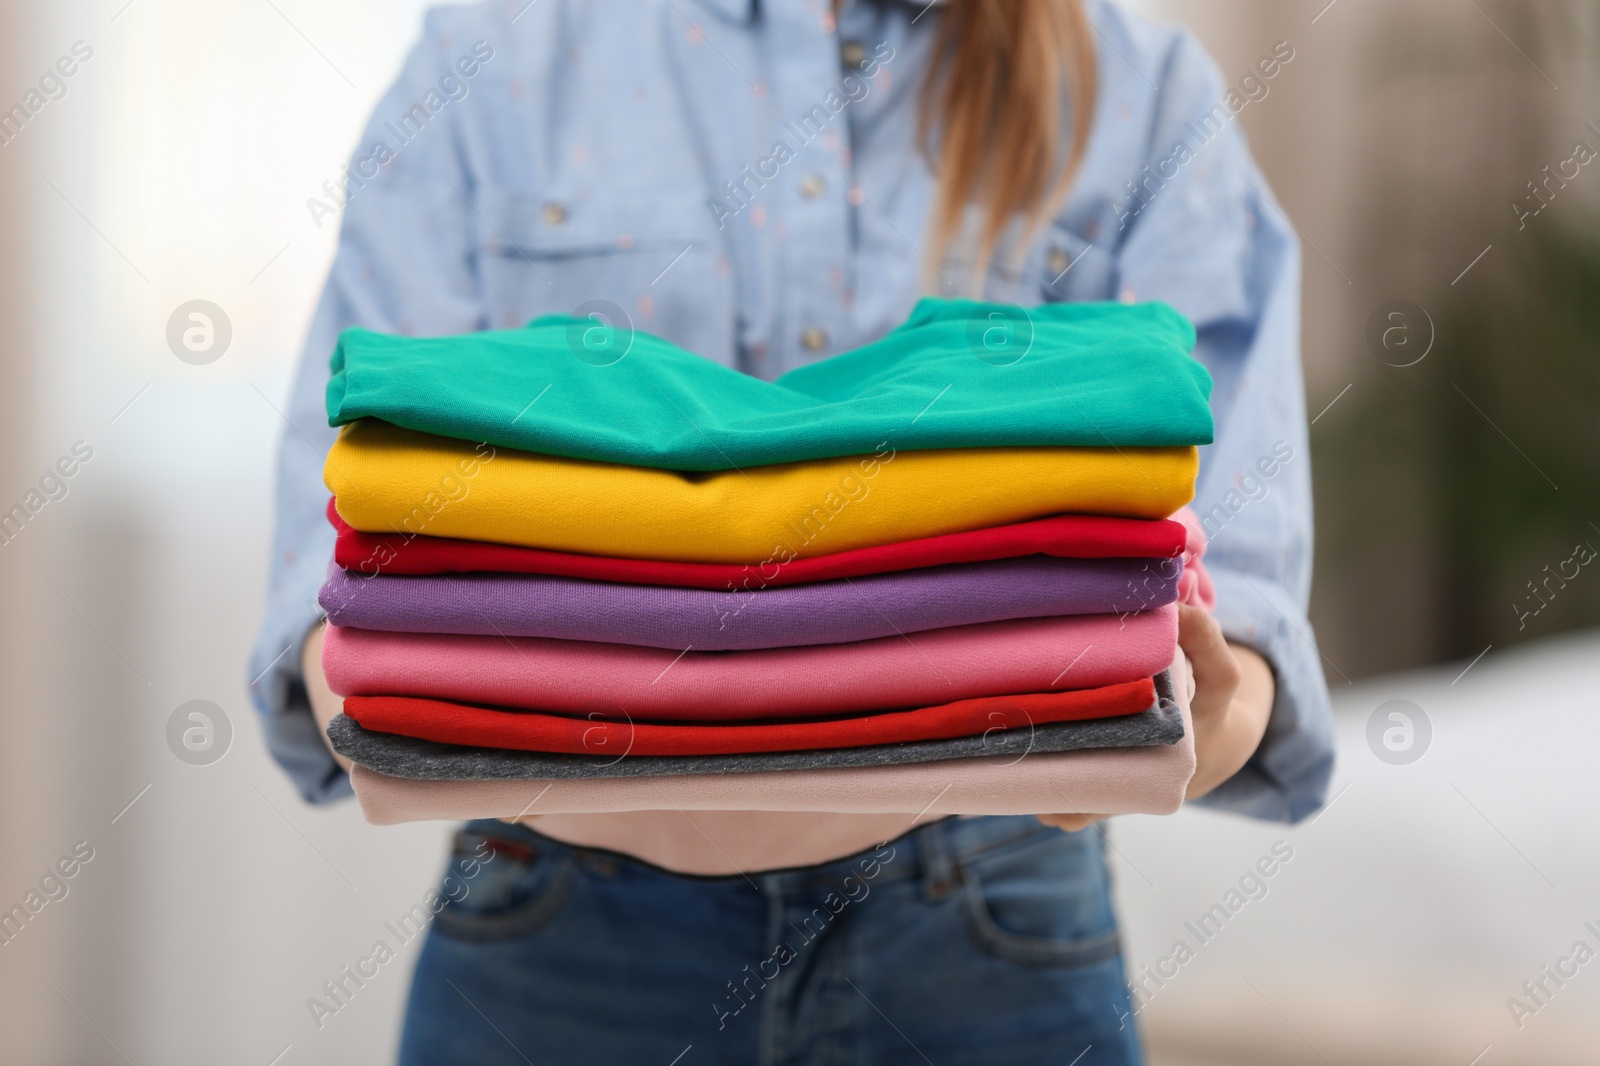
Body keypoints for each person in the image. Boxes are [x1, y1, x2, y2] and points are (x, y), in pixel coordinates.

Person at [250, 1, 1333, 1061]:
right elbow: (341, 551)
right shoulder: (496, 51)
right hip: (554, 929)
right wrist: (401, 700)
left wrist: (1177, 720)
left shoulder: (1140, 94)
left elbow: (1233, 592)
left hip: (989, 924)